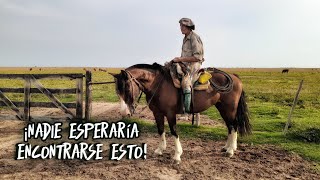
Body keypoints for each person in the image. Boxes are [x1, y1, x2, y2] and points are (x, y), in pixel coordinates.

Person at [172, 18, 204, 114]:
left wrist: (180, 59)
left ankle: (187, 110)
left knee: (186, 83)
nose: (181, 28)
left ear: (188, 27)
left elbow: (197, 57)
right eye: (180, 26)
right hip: (186, 64)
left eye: (183, 26)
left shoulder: (194, 37)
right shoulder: (186, 37)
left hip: (194, 65)